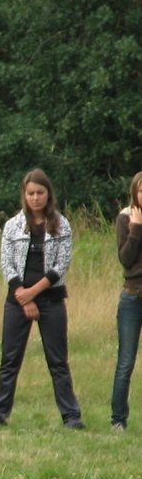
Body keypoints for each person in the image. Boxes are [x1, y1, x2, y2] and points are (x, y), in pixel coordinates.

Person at [0, 168, 83, 428]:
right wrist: (24, 296)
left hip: (51, 299)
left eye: (40, 193)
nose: (35, 198)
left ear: (48, 194)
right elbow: (6, 263)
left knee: (57, 360)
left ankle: (71, 415)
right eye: (31, 193)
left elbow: (61, 264)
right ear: (24, 195)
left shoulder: (61, 225)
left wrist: (34, 292)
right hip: (17, 299)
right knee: (10, 359)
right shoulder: (12, 225)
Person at [111, 171, 142, 430]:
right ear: (134, 192)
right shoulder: (125, 218)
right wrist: (137, 228)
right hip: (133, 296)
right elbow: (126, 259)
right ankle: (118, 419)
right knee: (126, 361)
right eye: (141, 190)